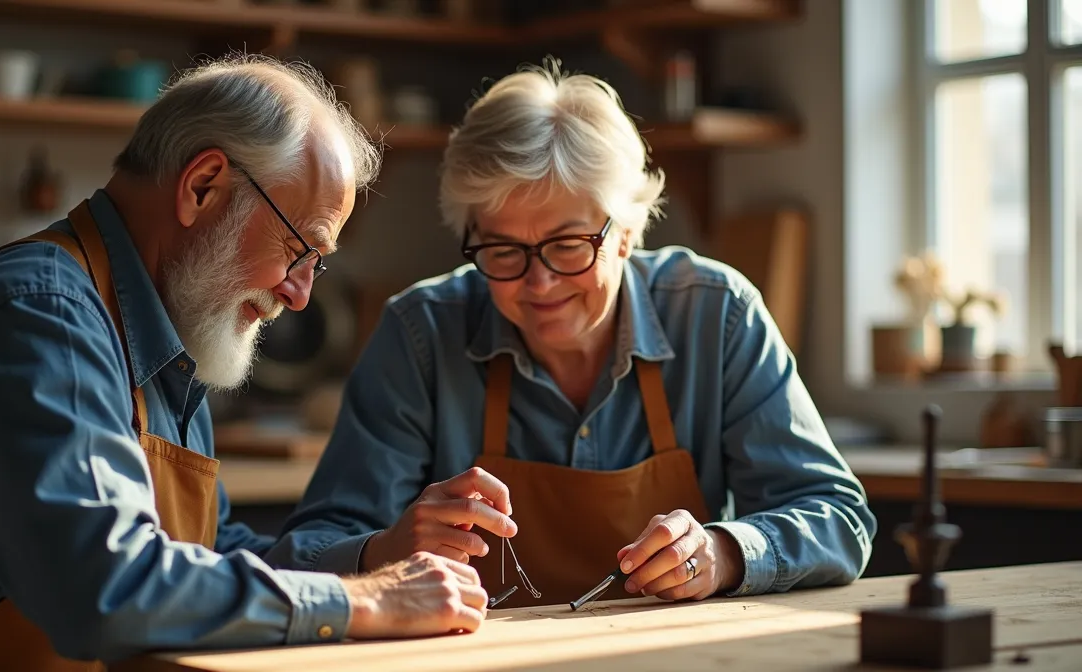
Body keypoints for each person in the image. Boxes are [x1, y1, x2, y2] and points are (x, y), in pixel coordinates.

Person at [0, 54, 490, 672]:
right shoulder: (39, 317)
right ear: (203, 187)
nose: (300, 294)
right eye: (301, 249)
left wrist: (378, 558)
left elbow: (209, 559)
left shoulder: (157, 334)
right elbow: (108, 588)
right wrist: (371, 601)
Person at [269, 61, 878, 609]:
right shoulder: (421, 333)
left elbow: (839, 520)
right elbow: (303, 552)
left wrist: (724, 551)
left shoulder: (717, 315)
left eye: (567, 245)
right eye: (503, 250)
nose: (539, 282)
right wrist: (385, 549)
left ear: (627, 233)